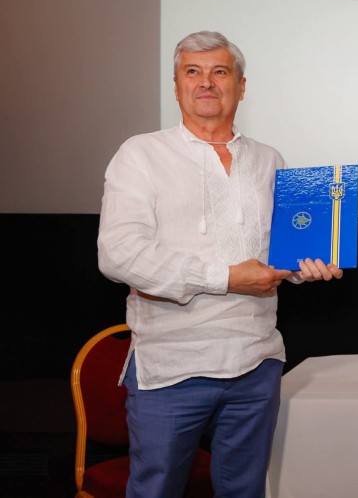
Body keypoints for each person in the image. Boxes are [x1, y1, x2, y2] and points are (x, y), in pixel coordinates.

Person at [97, 30, 343, 497]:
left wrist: (306, 267)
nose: (206, 82)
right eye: (193, 72)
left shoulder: (270, 160)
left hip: (256, 363)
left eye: (220, 72)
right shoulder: (141, 154)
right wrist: (225, 278)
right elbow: (119, 253)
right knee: (155, 491)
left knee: (245, 492)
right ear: (176, 86)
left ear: (241, 86)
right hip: (171, 369)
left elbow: (279, 255)